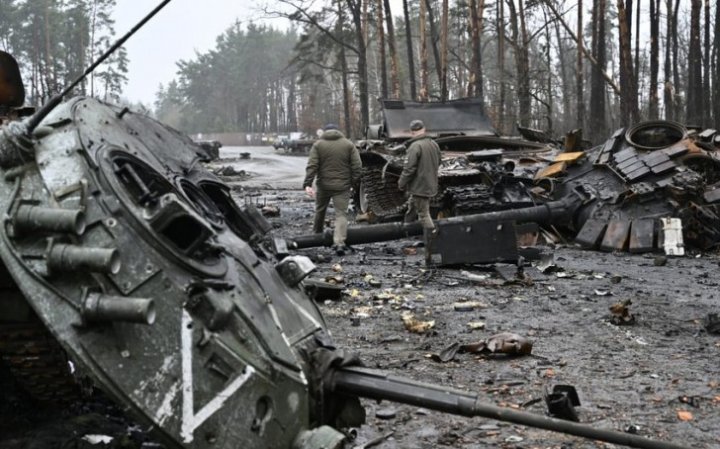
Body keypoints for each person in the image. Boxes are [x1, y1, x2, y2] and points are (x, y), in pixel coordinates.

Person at [303, 123, 362, 255]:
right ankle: (339, 243)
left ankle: (317, 235)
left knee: (320, 209)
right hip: (342, 186)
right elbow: (357, 166)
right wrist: (353, 183)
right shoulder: (348, 144)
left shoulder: (318, 145)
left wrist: (307, 183)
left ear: (324, 131)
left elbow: (312, 165)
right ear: (338, 131)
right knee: (341, 214)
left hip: (323, 185)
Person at [397, 119, 441, 265]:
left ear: (411, 132)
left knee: (424, 214)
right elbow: (439, 161)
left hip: (419, 186)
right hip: (430, 184)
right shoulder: (434, 144)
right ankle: (405, 231)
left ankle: (433, 244)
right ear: (424, 129)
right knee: (412, 207)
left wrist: (401, 183)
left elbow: (409, 169)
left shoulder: (415, 146)